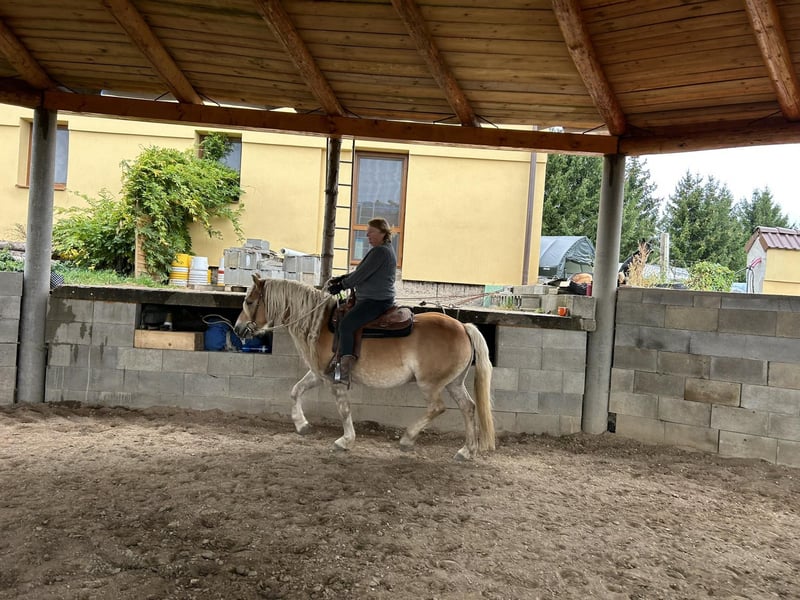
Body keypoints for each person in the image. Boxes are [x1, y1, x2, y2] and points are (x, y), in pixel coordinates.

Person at [327, 217, 396, 386]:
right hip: (377, 299)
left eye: (371, 232)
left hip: (375, 301)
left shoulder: (380, 252)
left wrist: (342, 285)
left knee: (346, 325)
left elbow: (361, 274)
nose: (367, 235)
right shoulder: (384, 250)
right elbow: (362, 272)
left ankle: (344, 371)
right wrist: (343, 278)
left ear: (382, 233)